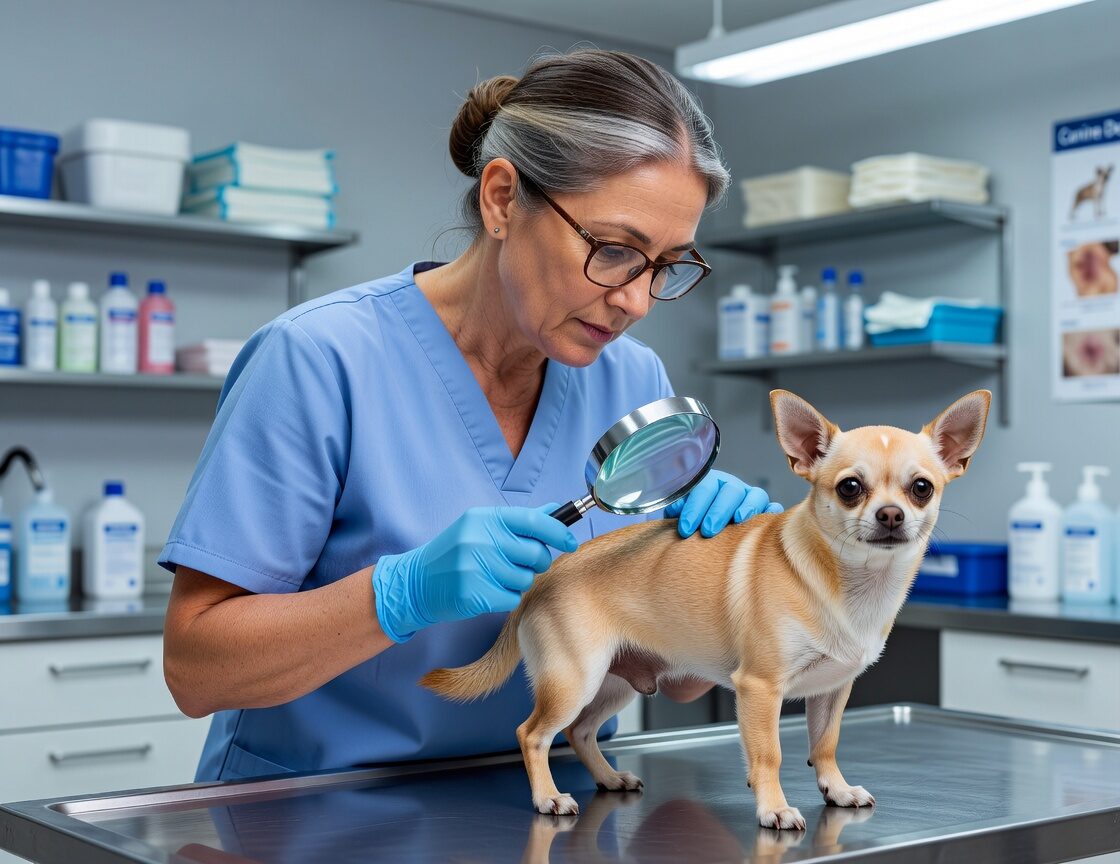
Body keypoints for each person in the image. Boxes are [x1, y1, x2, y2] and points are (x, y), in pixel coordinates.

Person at [160, 48, 780, 781]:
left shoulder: (634, 379)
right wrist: (401, 594)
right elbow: (196, 671)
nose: (636, 301)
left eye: (667, 265)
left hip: (551, 811)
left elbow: (676, 679)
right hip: (310, 814)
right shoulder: (318, 359)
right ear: (501, 199)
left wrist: (722, 572)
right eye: (615, 250)